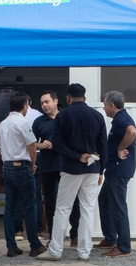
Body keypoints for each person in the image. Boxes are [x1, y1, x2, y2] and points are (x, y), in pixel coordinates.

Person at [36, 83, 107, 262]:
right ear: (84, 96)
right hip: (93, 168)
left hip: (70, 168)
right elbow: (103, 146)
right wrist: (101, 169)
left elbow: (58, 144)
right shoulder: (97, 116)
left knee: (62, 208)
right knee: (87, 209)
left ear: (68, 98)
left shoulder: (63, 115)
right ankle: (84, 252)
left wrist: (77, 157)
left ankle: (56, 250)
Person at [0, 91, 48, 257]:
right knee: (30, 206)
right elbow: (32, 146)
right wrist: (33, 165)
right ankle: (35, 245)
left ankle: (11, 246)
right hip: (22, 166)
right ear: (25, 106)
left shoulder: (2, 124)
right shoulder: (22, 122)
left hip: (7, 167)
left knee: (10, 208)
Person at [96, 91, 136, 258]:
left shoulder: (122, 119)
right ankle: (110, 238)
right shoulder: (122, 118)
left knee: (117, 206)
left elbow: (133, 133)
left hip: (119, 170)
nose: (104, 108)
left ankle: (123, 247)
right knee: (105, 201)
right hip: (115, 169)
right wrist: (129, 147)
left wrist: (121, 148)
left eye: (105, 105)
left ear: (112, 106)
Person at [32, 91, 81, 246]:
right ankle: (54, 237)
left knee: (72, 200)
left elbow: (75, 139)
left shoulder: (66, 118)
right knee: (50, 202)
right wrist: (41, 145)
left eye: (47, 102)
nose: (45, 105)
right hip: (47, 166)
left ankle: (75, 235)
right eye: (42, 103)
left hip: (66, 165)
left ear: (55, 101)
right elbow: (31, 144)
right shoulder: (39, 122)